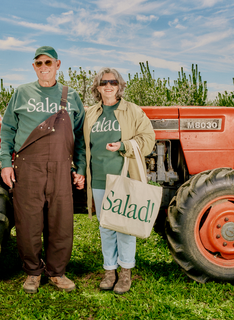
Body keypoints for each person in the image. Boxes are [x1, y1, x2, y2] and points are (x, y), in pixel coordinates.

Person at [0, 46, 86, 294]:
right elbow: (7, 131)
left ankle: (57, 273)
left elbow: (79, 136)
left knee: (61, 222)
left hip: (61, 168)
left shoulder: (72, 96)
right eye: (39, 63)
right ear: (34, 66)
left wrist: (79, 167)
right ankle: (33, 272)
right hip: (28, 167)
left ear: (58, 65)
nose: (44, 67)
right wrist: (6, 162)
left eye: (48, 62)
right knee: (28, 222)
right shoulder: (21, 93)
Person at [83, 67, 155, 294]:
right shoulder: (91, 113)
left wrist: (124, 146)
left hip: (123, 178)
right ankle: (109, 271)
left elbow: (148, 139)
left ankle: (125, 273)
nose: (108, 86)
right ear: (97, 87)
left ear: (119, 86)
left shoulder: (132, 111)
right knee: (106, 227)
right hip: (99, 179)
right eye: (104, 83)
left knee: (124, 227)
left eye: (113, 82)